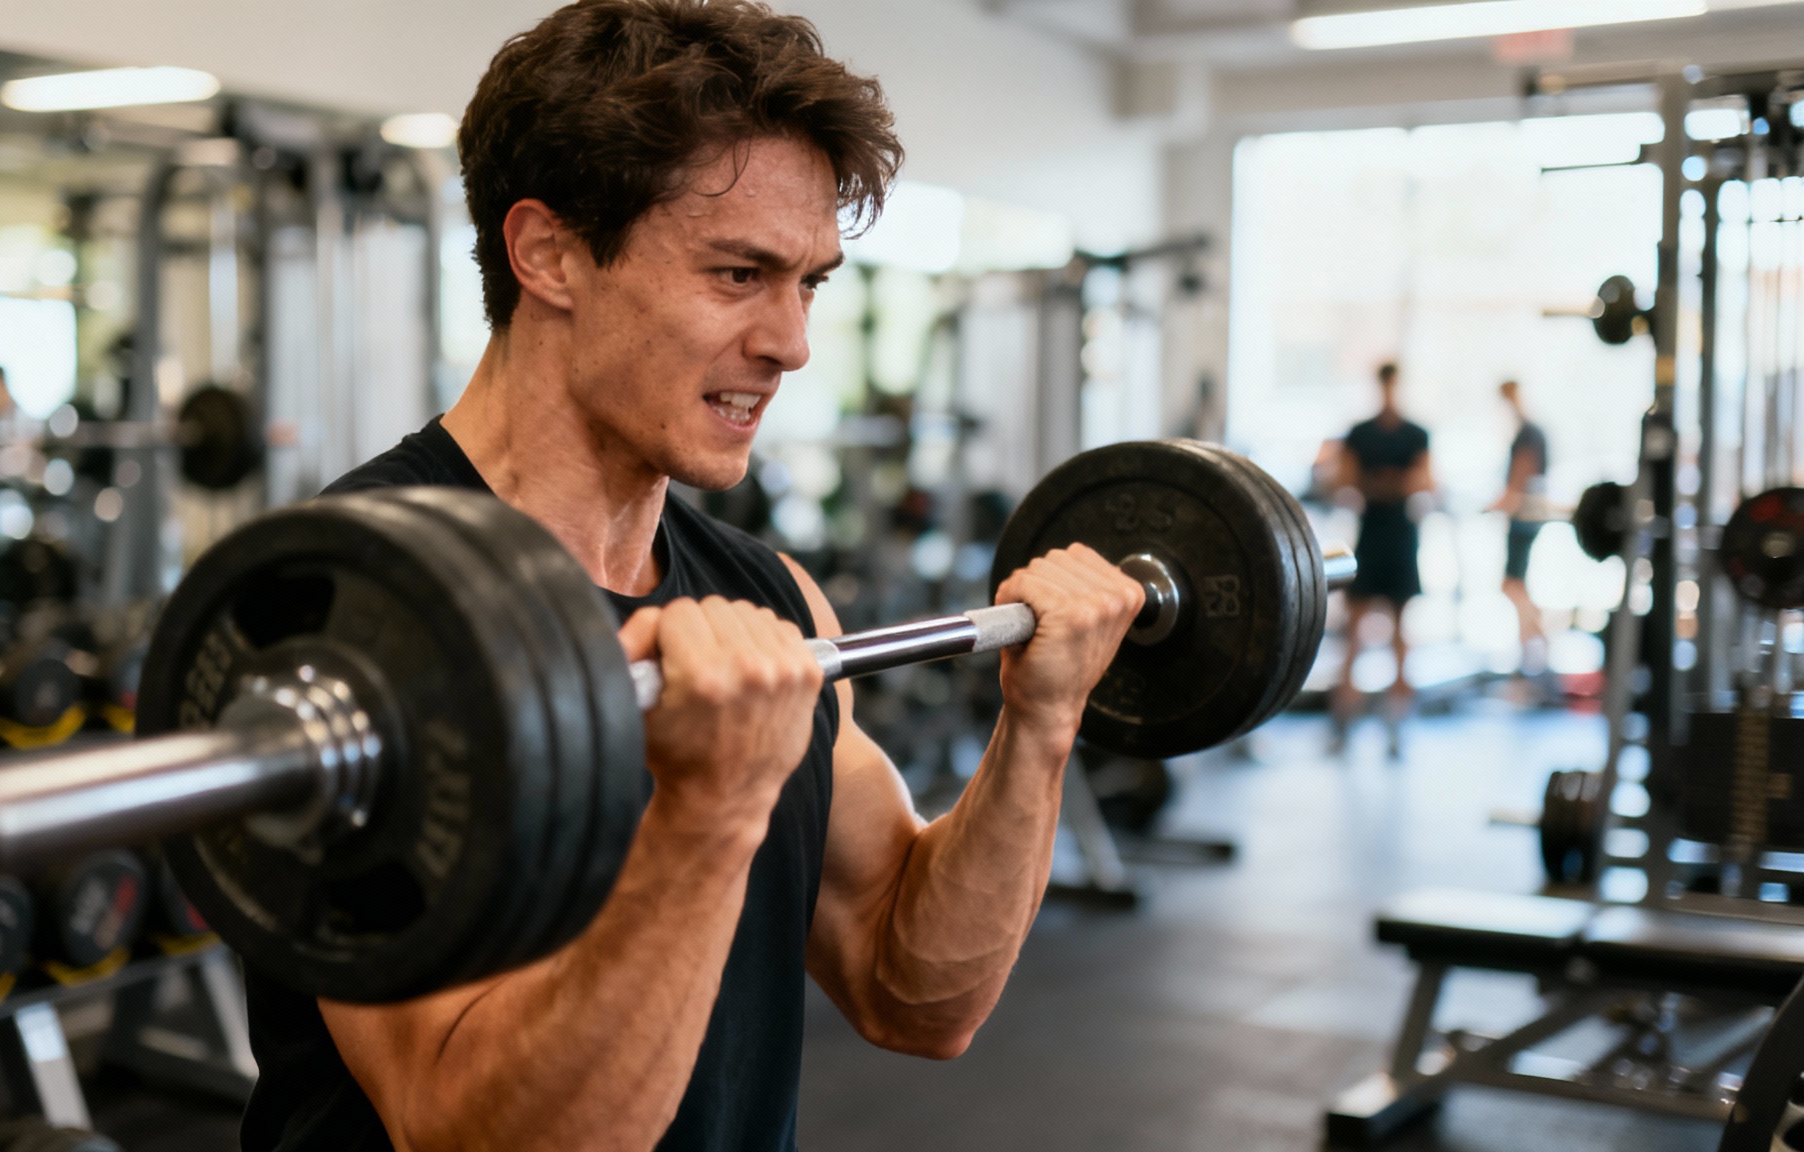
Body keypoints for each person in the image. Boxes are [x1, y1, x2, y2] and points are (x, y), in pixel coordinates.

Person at [246, 5, 1146, 1152]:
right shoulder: (350, 606)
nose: (790, 342)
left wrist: (1041, 721)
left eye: (808, 282)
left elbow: (913, 992)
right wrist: (710, 810)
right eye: (737, 273)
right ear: (549, 253)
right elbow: (464, 1127)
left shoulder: (773, 601)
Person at [1330, 362, 1433, 756]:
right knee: (1354, 634)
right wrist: (1390, 484)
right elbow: (1345, 480)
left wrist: (1381, 484)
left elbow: (1423, 481)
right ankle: (1343, 722)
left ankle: (1397, 722)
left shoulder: (1416, 433)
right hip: (1372, 537)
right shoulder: (1360, 433)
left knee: (1401, 635)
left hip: (1401, 538)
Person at [1489, 379, 1550, 678]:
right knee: (1516, 585)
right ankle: (1535, 643)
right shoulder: (1529, 431)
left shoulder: (1529, 432)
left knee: (1513, 585)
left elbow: (1520, 479)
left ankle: (1537, 641)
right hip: (1525, 516)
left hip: (1524, 518)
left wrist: (1498, 504)